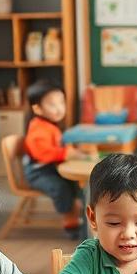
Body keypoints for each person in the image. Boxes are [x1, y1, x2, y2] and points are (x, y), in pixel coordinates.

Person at [22, 80, 85, 231]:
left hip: (50, 168)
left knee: (73, 182)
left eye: (61, 103)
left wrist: (70, 150)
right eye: (52, 104)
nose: (59, 109)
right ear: (37, 108)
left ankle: (76, 210)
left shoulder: (50, 125)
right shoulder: (38, 128)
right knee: (60, 188)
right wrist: (66, 153)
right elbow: (43, 153)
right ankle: (69, 218)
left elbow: (59, 145)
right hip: (38, 172)